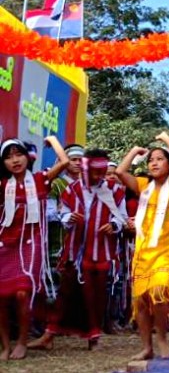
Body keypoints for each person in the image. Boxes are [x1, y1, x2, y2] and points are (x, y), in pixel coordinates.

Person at [29, 149, 128, 352]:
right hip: (75, 253)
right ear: (86, 170)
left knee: (96, 296)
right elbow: (62, 213)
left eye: (101, 172)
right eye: (95, 172)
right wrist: (69, 218)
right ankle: (49, 335)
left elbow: (122, 217)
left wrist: (114, 225)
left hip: (102, 253)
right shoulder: (72, 189)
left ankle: (94, 337)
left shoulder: (114, 190)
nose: (99, 176)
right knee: (65, 294)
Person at [116, 132, 169, 361]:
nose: (154, 163)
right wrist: (134, 151)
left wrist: (165, 138)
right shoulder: (144, 186)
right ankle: (147, 347)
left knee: (159, 292)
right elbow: (120, 172)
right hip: (144, 253)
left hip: (168, 252)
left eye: (160, 159)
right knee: (141, 300)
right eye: (151, 160)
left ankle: (161, 338)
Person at [0, 137, 69, 360]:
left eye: (18, 154)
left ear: (27, 157)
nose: (14, 160)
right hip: (6, 245)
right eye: (8, 157)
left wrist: (53, 141)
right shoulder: (3, 185)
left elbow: (65, 162)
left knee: (22, 292)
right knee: (1, 296)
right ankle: (5, 346)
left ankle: (22, 342)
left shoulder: (40, 180)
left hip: (32, 242)